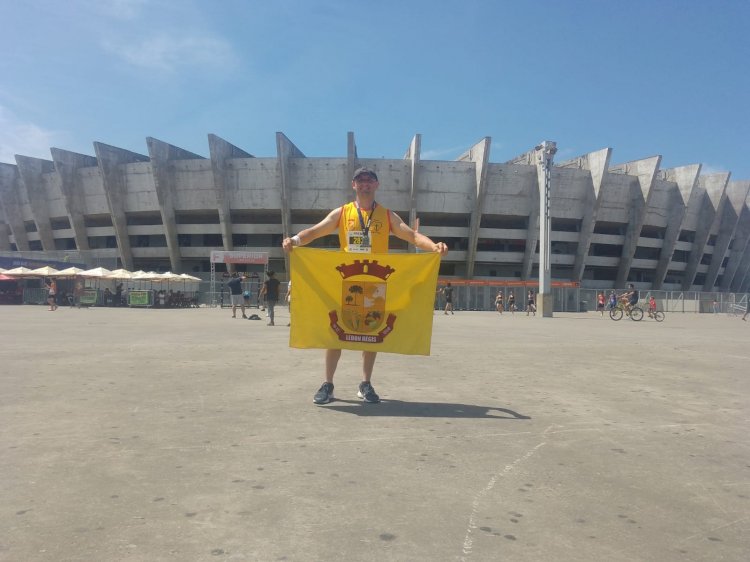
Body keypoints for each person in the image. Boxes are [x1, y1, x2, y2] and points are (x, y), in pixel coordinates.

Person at [282, 166, 448, 405]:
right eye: (360, 180)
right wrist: (295, 240)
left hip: (376, 283)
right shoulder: (342, 213)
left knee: (372, 331)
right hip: (346, 281)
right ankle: (328, 384)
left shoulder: (387, 215)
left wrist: (434, 246)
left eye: (370, 180)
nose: (365, 184)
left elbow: (411, 236)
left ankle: (365, 383)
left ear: (376, 185)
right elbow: (315, 231)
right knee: (334, 331)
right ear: (354, 185)